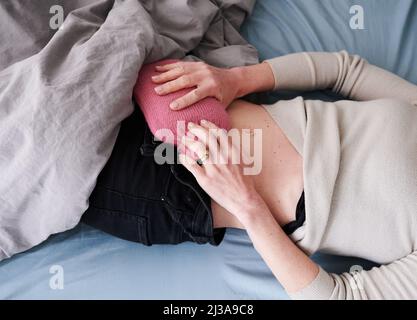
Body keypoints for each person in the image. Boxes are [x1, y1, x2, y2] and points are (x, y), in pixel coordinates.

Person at [84, 51, 417, 299]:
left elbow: (338, 296)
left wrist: (247, 204)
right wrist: (238, 79)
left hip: (176, 191)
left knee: (42, 151)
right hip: (192, 102)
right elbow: (346, 71)